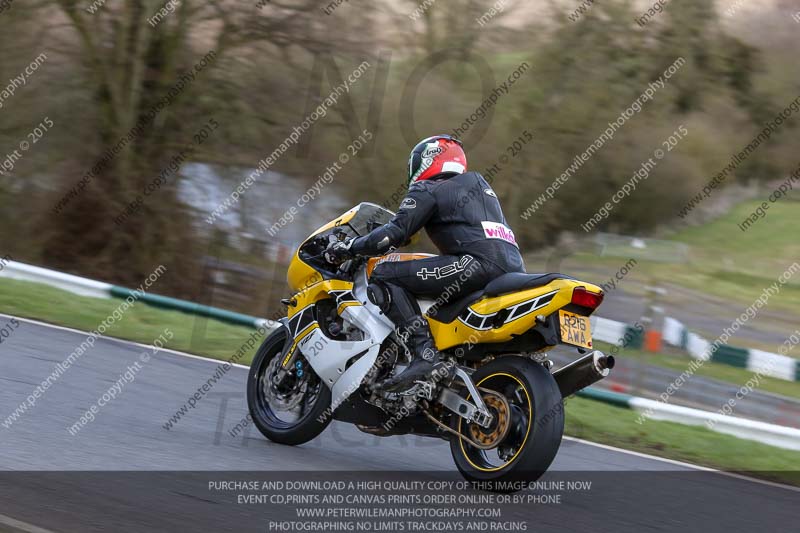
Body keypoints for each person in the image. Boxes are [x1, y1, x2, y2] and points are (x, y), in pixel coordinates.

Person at [325, 134, 525, 392]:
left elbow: (391, 234)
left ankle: (425, 354)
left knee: (385, 273)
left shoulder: (428, 188)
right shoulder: (479, 185)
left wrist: (349, 247)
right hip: (512, 268)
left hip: (475, 265)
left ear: (428, 160)